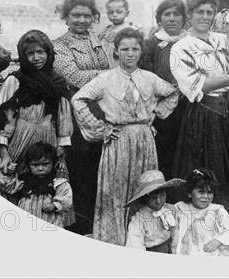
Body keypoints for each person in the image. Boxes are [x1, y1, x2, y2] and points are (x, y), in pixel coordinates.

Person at [72, 28, 179, 245]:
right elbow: (78, 99)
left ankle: (144, 241)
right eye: (124, 49)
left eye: (135, 49)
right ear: (116, 52)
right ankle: (116, 242)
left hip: (145, 141)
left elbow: (173, 92)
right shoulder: (105, 79)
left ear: (141, 51)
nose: (130, 54)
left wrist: (153, 117)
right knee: (116, 193)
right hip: (118, 141)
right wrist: (101, 128)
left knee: (146, 190)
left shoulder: (149, 78)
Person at [170, 0, 229, 224]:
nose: (205, 17)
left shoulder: (221, 39)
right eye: (199, 11)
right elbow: (198, 85)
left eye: (210, 12)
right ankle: (205, 227)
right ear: (189, 14)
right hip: (205, 116)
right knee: (210, 170)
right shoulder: (181, 48)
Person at [0, 30, 74, 226]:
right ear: (23, 56)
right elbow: (3, 118)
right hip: (19, 139)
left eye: (41, 52)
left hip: (48, 139)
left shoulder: (57, 82)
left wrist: (61, 150)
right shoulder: (15, 80)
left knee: (50, 183)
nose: (36, 58)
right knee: (12, 181)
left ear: (49, 53)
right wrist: (4, 154)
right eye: (30, 54)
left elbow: (63, 117)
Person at [53, 0, 110, 234]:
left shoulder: (99, 42)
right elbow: (73, 76)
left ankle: (100, 223)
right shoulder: (59, 46)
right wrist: (108, 76)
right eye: (76, 15)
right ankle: (80, 226)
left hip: (102, 113)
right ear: (66, 17)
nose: (82, 20)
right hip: (76, 115)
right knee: (80, 169)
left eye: (87, 16)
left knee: (101, 168)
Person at [138, 0, 188, 179]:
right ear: (160, 20)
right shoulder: (151, 44)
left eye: (177, 14)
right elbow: (145, 78)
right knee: (164, 154)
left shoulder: (191, 42)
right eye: (167, 14)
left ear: (184, 19)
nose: (172, 19)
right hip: (161, 110)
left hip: (187, 108)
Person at [0, 142, 73, 228]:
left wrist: (54, 205)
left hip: (49, 221)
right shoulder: (24, 180)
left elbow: (66, 197)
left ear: (53, 163)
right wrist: (9, 174)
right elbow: (8, 186)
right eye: (35, 165)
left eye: (45, 164)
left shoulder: (57, 182)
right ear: (29, 165)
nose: (40, 168)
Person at [173, 169, 229, 256]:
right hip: (188, 252)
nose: (205, 196)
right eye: (201, 192)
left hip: (213, 253)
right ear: (189, 193)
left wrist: (218, 241)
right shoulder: (180, 208)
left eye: (210, 192)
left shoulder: (217, 210)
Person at [124, 170, 184, 253]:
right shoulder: (138, 220)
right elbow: (135, 245)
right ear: (145, 198)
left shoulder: (171, 210)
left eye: (162, 196)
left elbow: (178, 232)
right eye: (153, 198)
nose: (158, 201)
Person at [99, 0, 131, 68]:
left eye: (119, 12)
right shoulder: (105, 31)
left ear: (127, 13)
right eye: (111, 12)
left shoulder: (129, 31)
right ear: (107, 14)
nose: (114, 15)